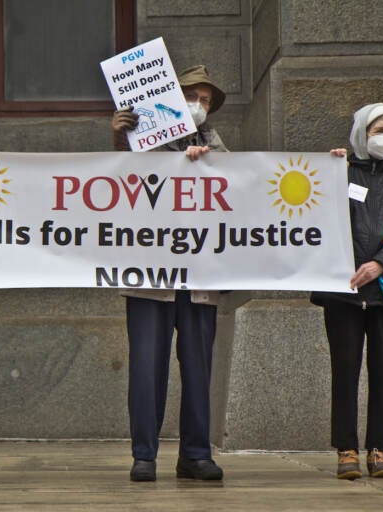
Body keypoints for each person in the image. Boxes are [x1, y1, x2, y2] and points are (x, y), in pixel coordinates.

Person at [111, 65, 227, 482]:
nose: (199, 105)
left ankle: (195, 454)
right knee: (147, 367)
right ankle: (144, 454)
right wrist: (119, 138)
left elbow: (244, 187)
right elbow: (114, 181)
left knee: (198, 367)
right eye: (191, 97)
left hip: (199, 280)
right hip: (148, 279)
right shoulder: (141, 144)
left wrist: (205, 163)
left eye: (206, 100)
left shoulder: (216, 145)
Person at [311, 103, 383, 479]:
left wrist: (380, 264)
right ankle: (346, 450)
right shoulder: (340, 172)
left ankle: (380, 449)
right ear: (362, 131)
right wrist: (327, 174)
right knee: (344, 370)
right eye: (380, 129)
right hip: (342, 292)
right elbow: (315, 213)